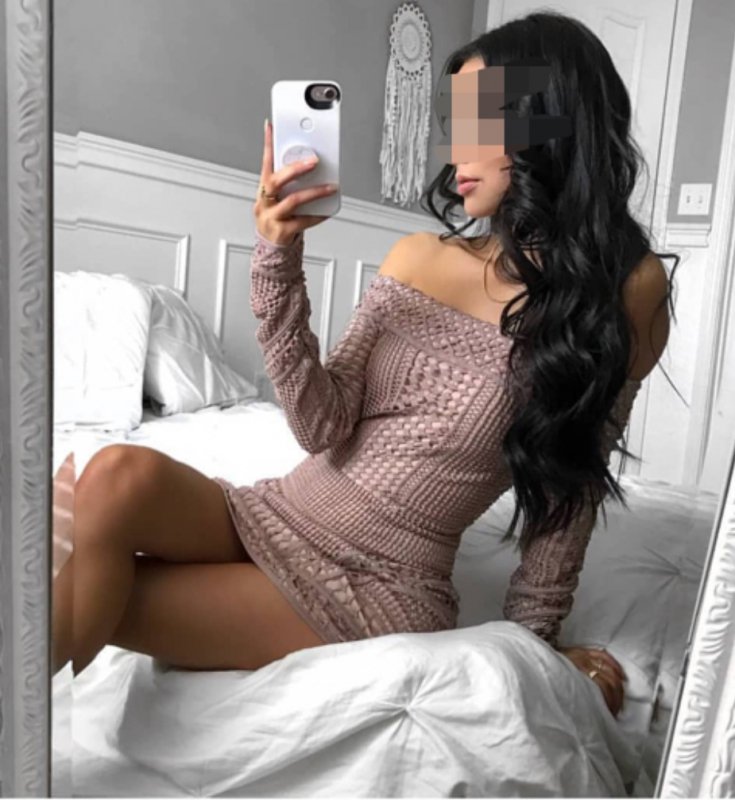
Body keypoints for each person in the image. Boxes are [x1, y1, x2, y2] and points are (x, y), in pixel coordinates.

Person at [53, 11, 677, 722]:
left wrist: (535, 646)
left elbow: (570, 492)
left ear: (551, 125)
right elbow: (321, 426)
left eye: (483, 121)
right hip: (279, 509)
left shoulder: (624, 294)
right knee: (116, 473)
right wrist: (278, 255)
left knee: (87, 590)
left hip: (375, 584)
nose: (457, 148)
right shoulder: (417, 257)